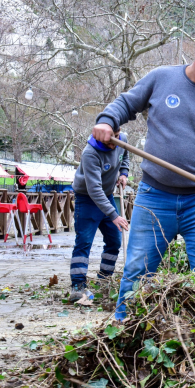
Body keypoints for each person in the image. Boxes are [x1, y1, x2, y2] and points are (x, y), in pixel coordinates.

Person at [92, 28, 195, 320]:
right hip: (154, 196)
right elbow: (126, 103)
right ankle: (123, 327)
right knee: (137, 271)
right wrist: (107, 120)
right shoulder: (161, 79)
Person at [69, 127, 130, 303]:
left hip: (107, 195)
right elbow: (94, 189)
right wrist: (114, 215)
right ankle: (78, 285)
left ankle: (104, 279)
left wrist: (124, 173)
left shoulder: (122, 139)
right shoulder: (90, 153)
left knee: (114, 240)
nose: (114, 142)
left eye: (116, 137)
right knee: (84, 242)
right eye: (110, 139)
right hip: (87, 198)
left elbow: (125, 156)